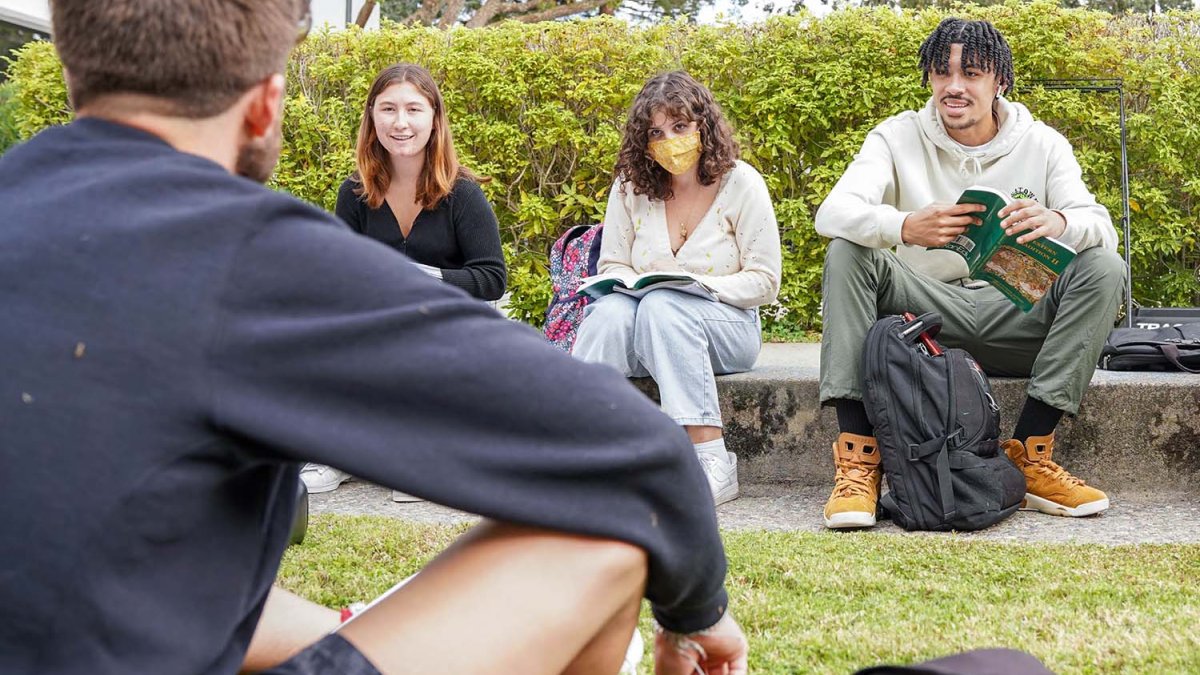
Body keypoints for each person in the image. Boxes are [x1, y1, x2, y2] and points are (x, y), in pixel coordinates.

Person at [0, 2, 749, 674]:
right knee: (602, 540)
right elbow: (636, 452)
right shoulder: (245, 254)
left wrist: (338, 628)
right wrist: (699, 610)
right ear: (267, 105)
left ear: (72, 71)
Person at [814, 18, 1124, 530]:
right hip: (923, 325)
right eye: (942, 73)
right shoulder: (896, 136)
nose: (953, 87)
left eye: (971, 73)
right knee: (848, 251)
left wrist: (1059, 221)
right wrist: (904, 226)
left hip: (1015, 314)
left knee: (1103, 264)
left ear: (1000, 80)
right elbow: (832, 213)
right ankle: (858, 461)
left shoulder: (1043, 143)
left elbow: (1102, 228)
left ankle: (1031, 452)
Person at [573, 71, 783, 506]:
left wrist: (692, 286)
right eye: (656, 132)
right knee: (610, 313)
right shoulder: (632, 187)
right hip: (644, 321)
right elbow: (612, 261)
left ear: (703, 126)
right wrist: (634, 286)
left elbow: (765, 281)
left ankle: (711, 459)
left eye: (680, 126)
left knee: (666, 305)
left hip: (727, 329)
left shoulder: (741, 182)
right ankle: (582, 451)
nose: (669, 139)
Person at [302, 63, 507, 499]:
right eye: (388, 109)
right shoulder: (354, 193)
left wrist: (420, 278)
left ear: (434, 119)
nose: (400, 122)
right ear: (371, 118)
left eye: (414, 109)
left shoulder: (463, 195)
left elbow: (492, 278)